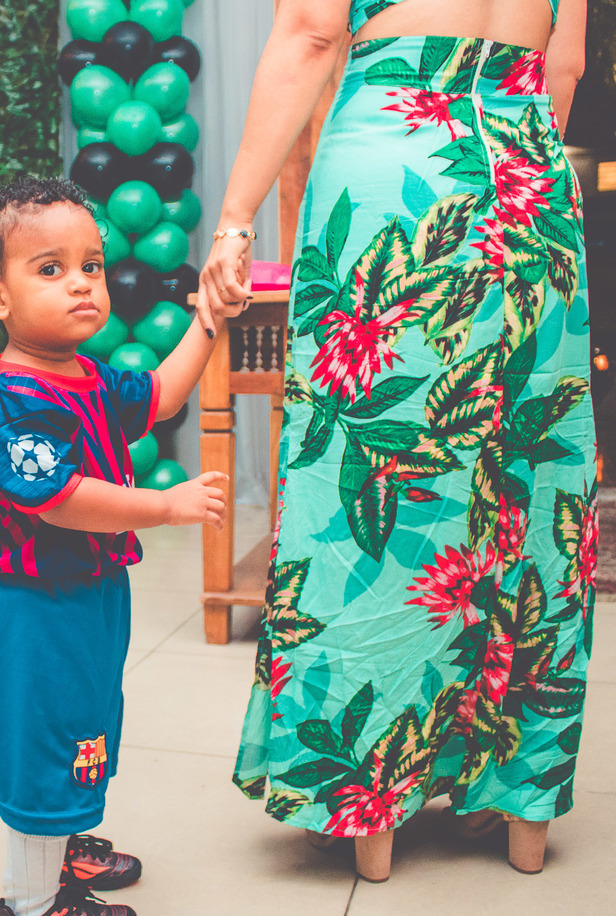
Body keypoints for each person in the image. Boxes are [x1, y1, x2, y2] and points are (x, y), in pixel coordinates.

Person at [199, 0, 594, 882]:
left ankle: (369, 806)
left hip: (400, 166)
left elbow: (309, 33)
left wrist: (233, 220)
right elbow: (561, 69)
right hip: (529, 182)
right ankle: (512, 800)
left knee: (380, 474)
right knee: (528, 486)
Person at [0, 177, 239, 916]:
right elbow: (61, 499)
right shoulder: (16, 400)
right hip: (36, 609)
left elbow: (161, 395)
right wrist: (163, 506)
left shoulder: (82, 375)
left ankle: (69, 840)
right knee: (42, 742)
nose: (81, 283)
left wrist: (208, 317)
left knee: (85, 721)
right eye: (50, 269)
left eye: (92, 265)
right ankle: (29, 898)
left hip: (90, 596)